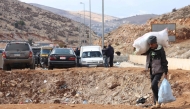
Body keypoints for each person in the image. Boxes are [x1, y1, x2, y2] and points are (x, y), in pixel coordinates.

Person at [144, 36, 168, 109]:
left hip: (159, 71)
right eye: (149, 44)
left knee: (154, 85)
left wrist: (166, 72)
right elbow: (142, 52)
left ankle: (158, 101)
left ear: (155, 43)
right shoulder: (150, 50)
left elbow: (164, 61)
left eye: (152, 44)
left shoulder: (160, 50)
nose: (150, 45)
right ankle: (156, 103)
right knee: (154, 86)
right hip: (152, 71)